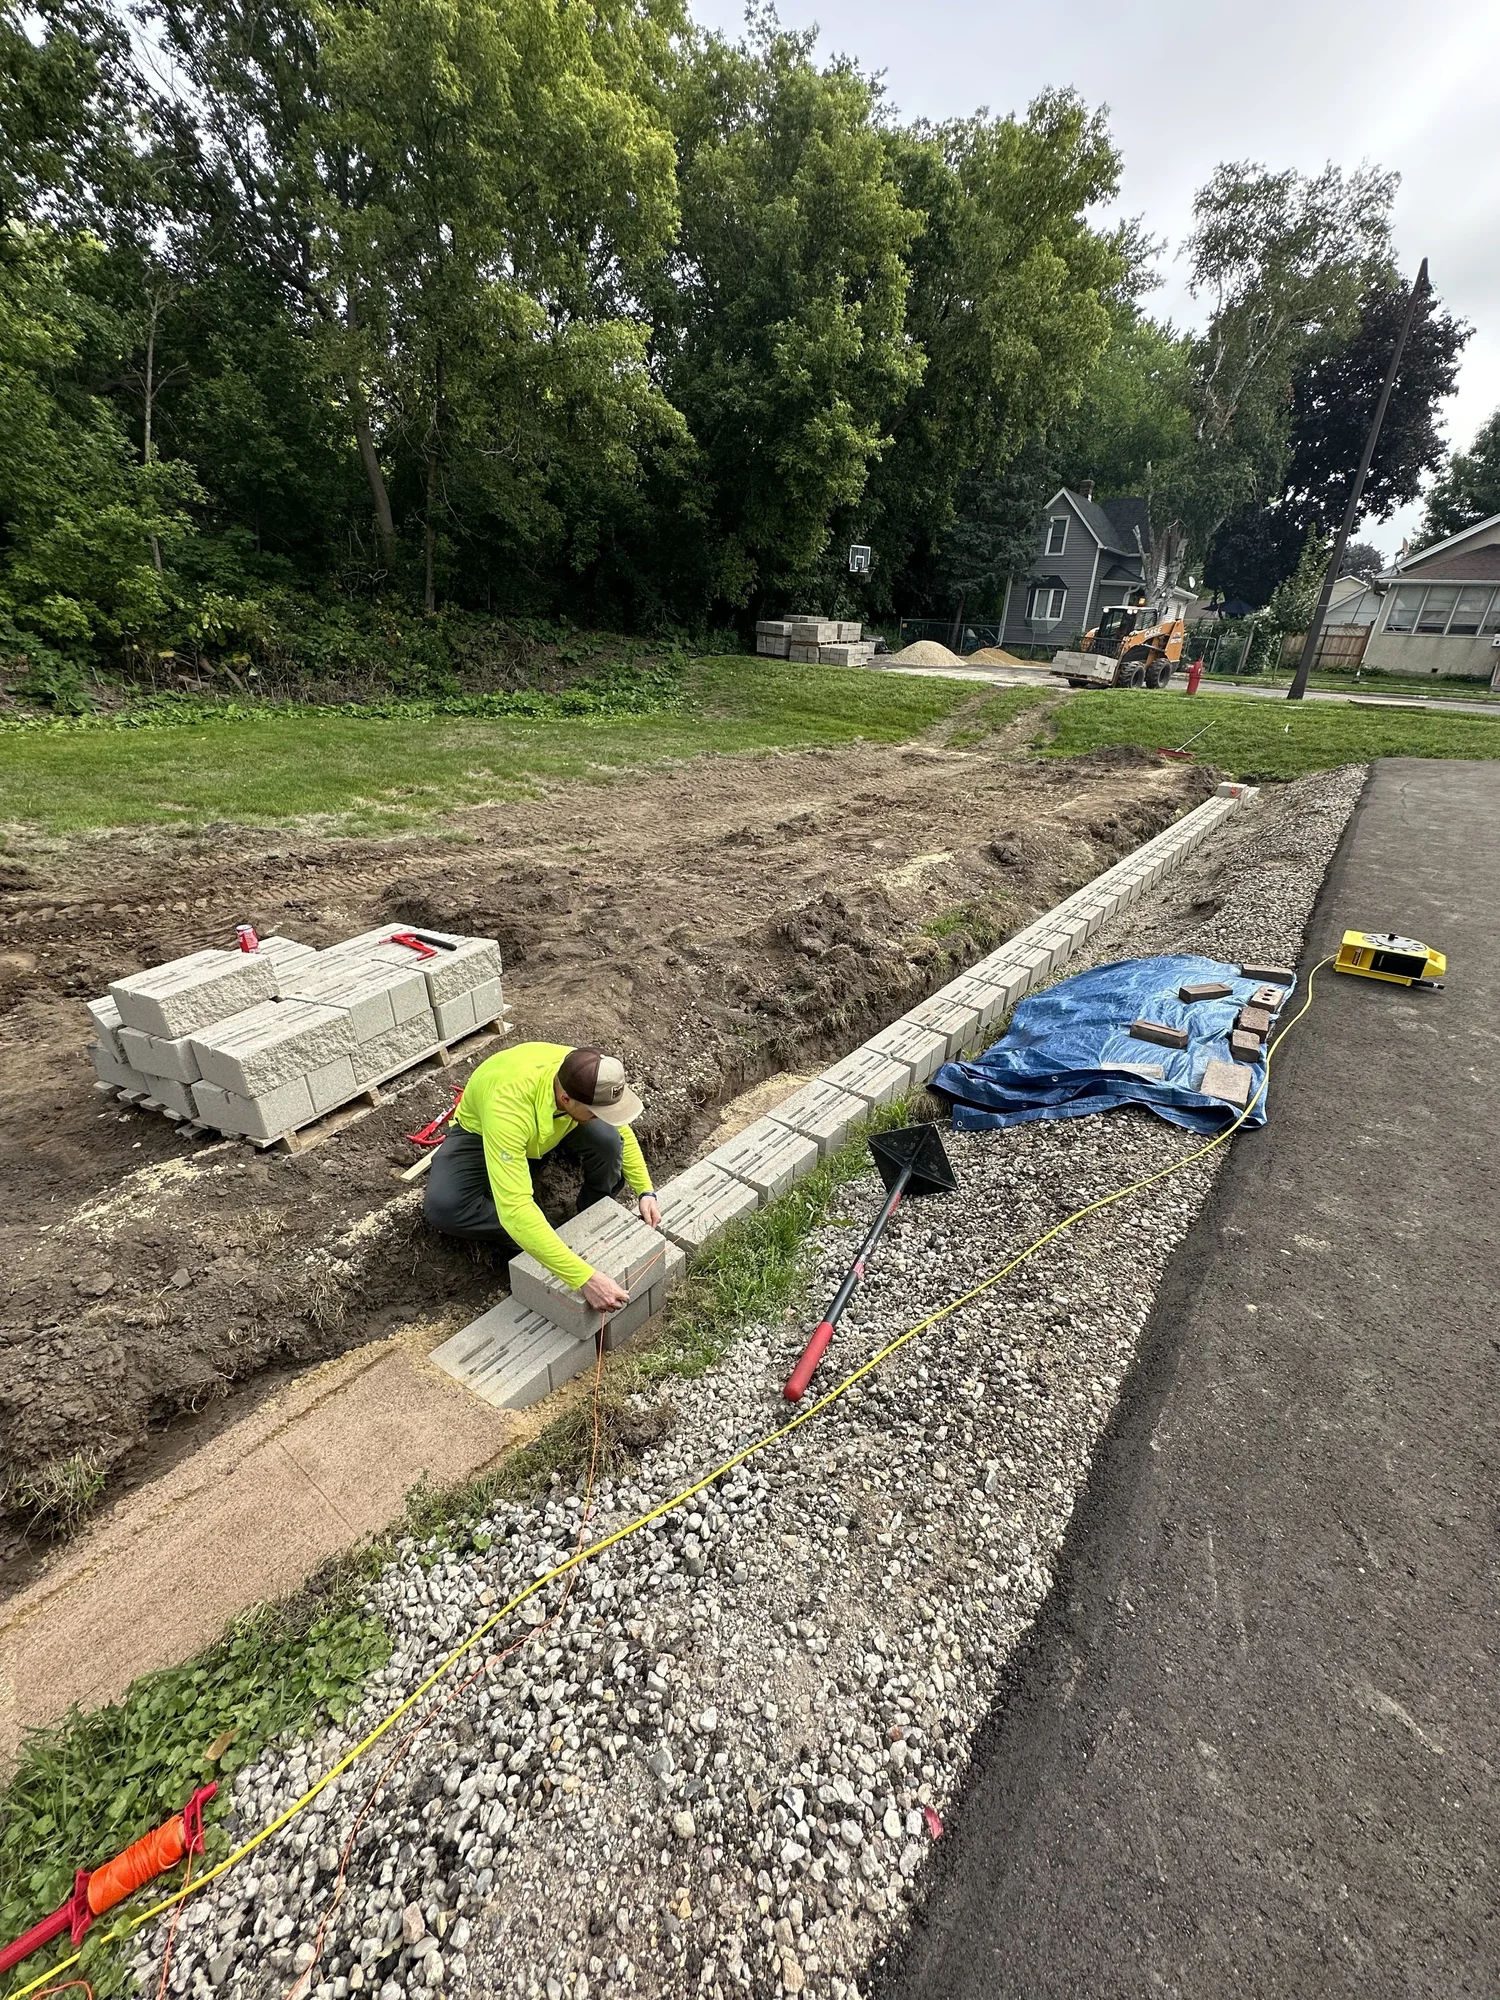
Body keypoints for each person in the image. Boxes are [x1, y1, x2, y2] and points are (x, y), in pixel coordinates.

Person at [423, 1042, 659, 1312]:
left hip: (555, 1122)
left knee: (609, 1142)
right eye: (596, 1113)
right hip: (484, 1131)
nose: (601, 1117)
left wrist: (645, 1190)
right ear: (567, 1099)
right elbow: (515, 1208)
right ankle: (542, 1238)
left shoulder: (585, 1073)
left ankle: (591, 1215)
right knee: (445, 1206)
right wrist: (584, 1278)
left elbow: (618, 1126)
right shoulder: (507, 1108)